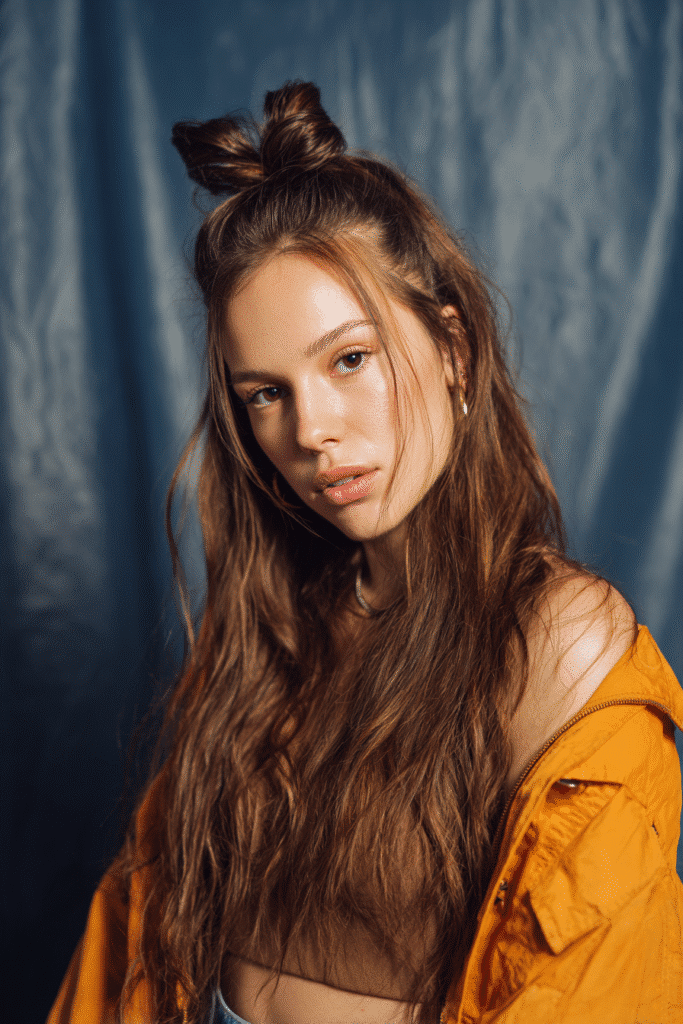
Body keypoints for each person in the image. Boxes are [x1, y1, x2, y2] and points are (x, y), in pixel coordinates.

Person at [47, 81, 683, 1024]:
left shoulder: (561, 643)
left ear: (454, 351)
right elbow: (133, 932)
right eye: (265, 392)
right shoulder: (268, 626)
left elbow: (591, 986)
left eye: (350, 359)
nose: (312, 431)